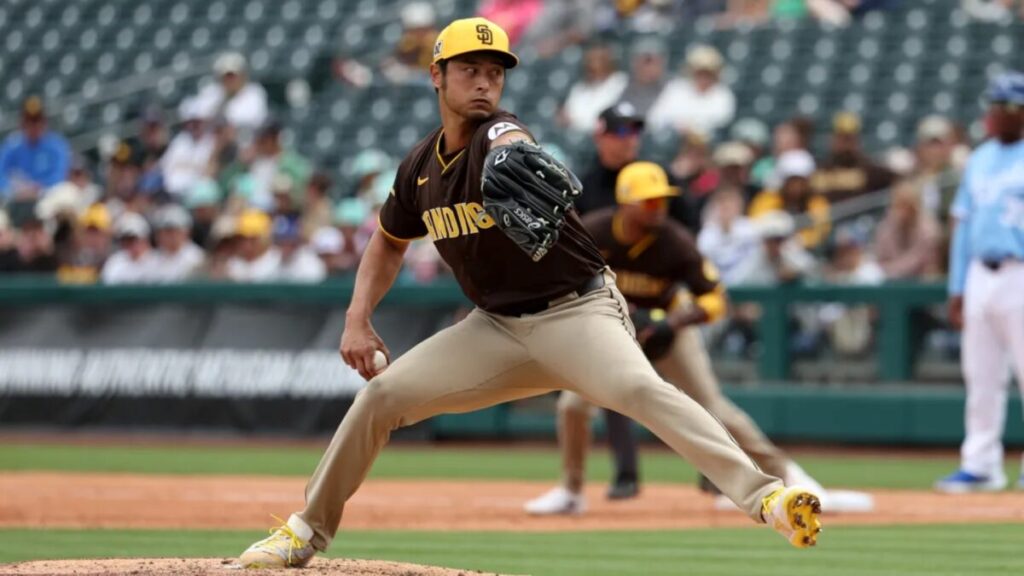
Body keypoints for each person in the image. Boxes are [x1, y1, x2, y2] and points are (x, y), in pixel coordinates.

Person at [238, 18, 822, 569]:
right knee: (380, 399)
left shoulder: (500, 131)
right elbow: (389, 244)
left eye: (495, 71)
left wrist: (508, 153)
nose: (485, 81)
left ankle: (767, 498)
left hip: (577, 312)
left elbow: (509, 141)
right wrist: (357, 319)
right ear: (436, 75)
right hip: (492, 328)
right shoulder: (418, 166)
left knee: (641, 389)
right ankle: (304, 533)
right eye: (470, 68)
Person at [524, 161, 859, 515]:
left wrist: (673, 322)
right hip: (611, 333)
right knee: (573, 406)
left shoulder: (673, 240)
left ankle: (790, 475)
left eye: (662, 200)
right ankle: (571, 491)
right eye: (649, 201)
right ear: (626, 203)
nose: (659, 208)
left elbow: (716, 299)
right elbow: (555, 278)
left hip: (668, 333)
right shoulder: (594, 232)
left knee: (714, 408)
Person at [936, 72, 1024, 493]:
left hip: (1020, 270)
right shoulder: (979, 158)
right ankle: (981, 463)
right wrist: (957, 287)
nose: (996, 113)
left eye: (1006, 106)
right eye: (994, 105)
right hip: (980, 275)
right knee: (981, 375)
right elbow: (962, 227)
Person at [749, 149, 831, 250]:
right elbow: (757, 224)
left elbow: (822, 229)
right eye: (792, 181)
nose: (796, 187)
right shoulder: (768, 198)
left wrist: (802, 239)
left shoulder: (817, 202)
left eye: (800, 181)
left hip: (806, 253)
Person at [647, 44, 736, 137]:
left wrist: (692, 127)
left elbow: (721, 122)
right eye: (699, 72)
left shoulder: (723, 94)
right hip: (673, 138)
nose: (703, 77)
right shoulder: (676, 88)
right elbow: (656, 118)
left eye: (708, 73)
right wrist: (678, 125)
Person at [575, 103, 644, 215]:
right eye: (622, 131)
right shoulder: (583, 187)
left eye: (635, 131)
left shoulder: (653, 176)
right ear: (599, 137)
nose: (631, 139)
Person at [811, 112, 894, 203]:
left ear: (857, 141)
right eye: (841, 138)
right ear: (833, 139)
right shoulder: (819, 170)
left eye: (849, 139)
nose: (845, 144)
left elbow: (900, 184)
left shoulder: (871, 171)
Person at [0, 97, 71, 201]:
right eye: (29, 121)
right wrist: (13, 189)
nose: (34, 126)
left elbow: (59, 175)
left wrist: (38, 188)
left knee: (66, 193)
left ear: (44, 122)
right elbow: (1, 174)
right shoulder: (12, 145)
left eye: (37, 121)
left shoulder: (57, 145)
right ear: (22, 124)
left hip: (47, 196)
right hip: (16, 197)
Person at [874, 180, 942, 280]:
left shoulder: (928, 229)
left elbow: (921, 261)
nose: (902, 211)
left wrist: (892, 269)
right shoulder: (887, 226)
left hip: (921, 285)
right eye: (898, 205)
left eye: (906, 205)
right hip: (891, 285)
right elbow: (881, 261)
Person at [191, 52, 269, 137]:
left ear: (243, 76)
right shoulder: (213, 92)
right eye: (226, 76)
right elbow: (199, 116)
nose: (230, 80)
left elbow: (253, 120)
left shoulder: (255, 92)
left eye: (233, 76)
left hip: (246, 139)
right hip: (214, 139)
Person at [559, 43, 628, 132]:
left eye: (596, 60)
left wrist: (577, 122)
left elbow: (610, 120)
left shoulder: (621, 83)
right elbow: (565, 118)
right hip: (576, 138)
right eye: (588, 61)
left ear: (608, 61)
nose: (590, 65)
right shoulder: (579, 88)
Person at [160, 99, 216, 199]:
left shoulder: (211, 140)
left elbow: (209, 170)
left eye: (197, 122)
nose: (195, 126)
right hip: (173, 194)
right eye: (192, 122)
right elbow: (164, 166)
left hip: (200, 195)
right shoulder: (180, 141)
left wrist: (185, 165)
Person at [150, 204, 205, 282]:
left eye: (175, 230)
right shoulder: (152, 258)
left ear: (186, 231)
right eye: (166, 231)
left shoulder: (197, 257)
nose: (171, 235)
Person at [100, 213, 156, 284]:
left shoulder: (157, 260)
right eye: (126, 240)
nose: (130, 244)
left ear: (145, 239)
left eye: (133, 239)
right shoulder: (115, 262)